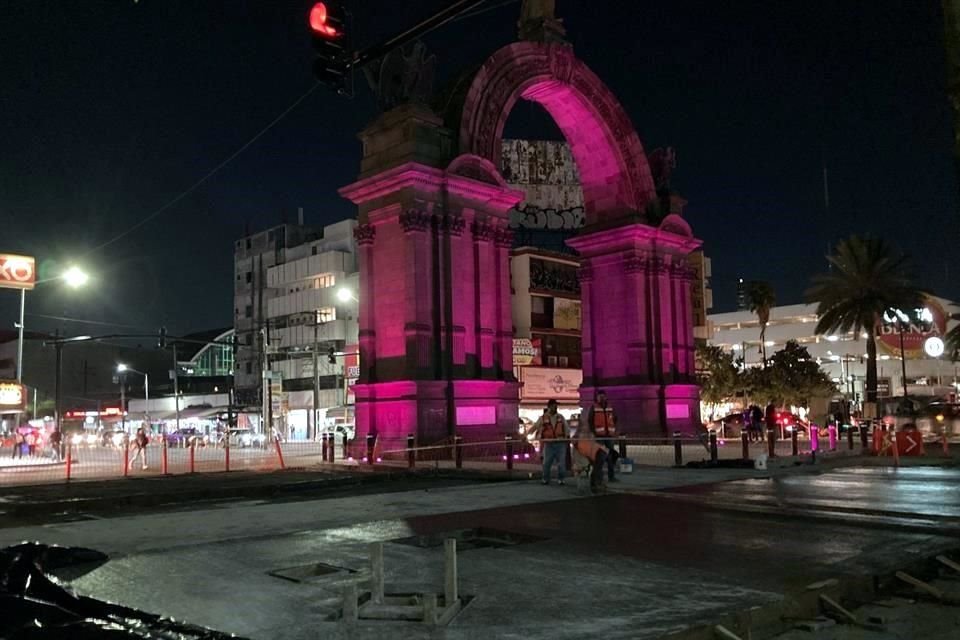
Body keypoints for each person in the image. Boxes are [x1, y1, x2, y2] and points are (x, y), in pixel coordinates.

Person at [529, 399, 569, 485]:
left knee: (561, 463)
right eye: (554, 405)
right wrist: (525, 436)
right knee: (546, 463)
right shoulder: (543, 418)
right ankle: (545, 479)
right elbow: (534, 427)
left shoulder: (560, 417)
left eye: (556, 405)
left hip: (560, 443)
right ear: (549, 406)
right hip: (549, 444)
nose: (556, 407)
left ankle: (561, 479)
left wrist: (567, 437)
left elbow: (566, 428)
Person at [586, 389, 618, 482]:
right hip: (599, 437)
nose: (602, 398)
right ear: (597, 398)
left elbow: (615, 418)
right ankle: (599, 477)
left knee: (610, 457)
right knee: (601, 457)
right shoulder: (594, 407)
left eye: (603, 396)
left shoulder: (610, 407)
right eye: (600, 397)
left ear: (606, 397)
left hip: (609, 436)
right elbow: (590, 421)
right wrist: (594, 432)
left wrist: (614, 430)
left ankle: (611, 476)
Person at [572, 429, 609, 494]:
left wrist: (588, 464)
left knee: (596, 471)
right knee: (597, 470)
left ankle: (596, 487)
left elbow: (587, 454)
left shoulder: (580, 446)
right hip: (601, 452)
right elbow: (588, 454)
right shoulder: (582, 443)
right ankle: (599, 485)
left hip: (599, 453)